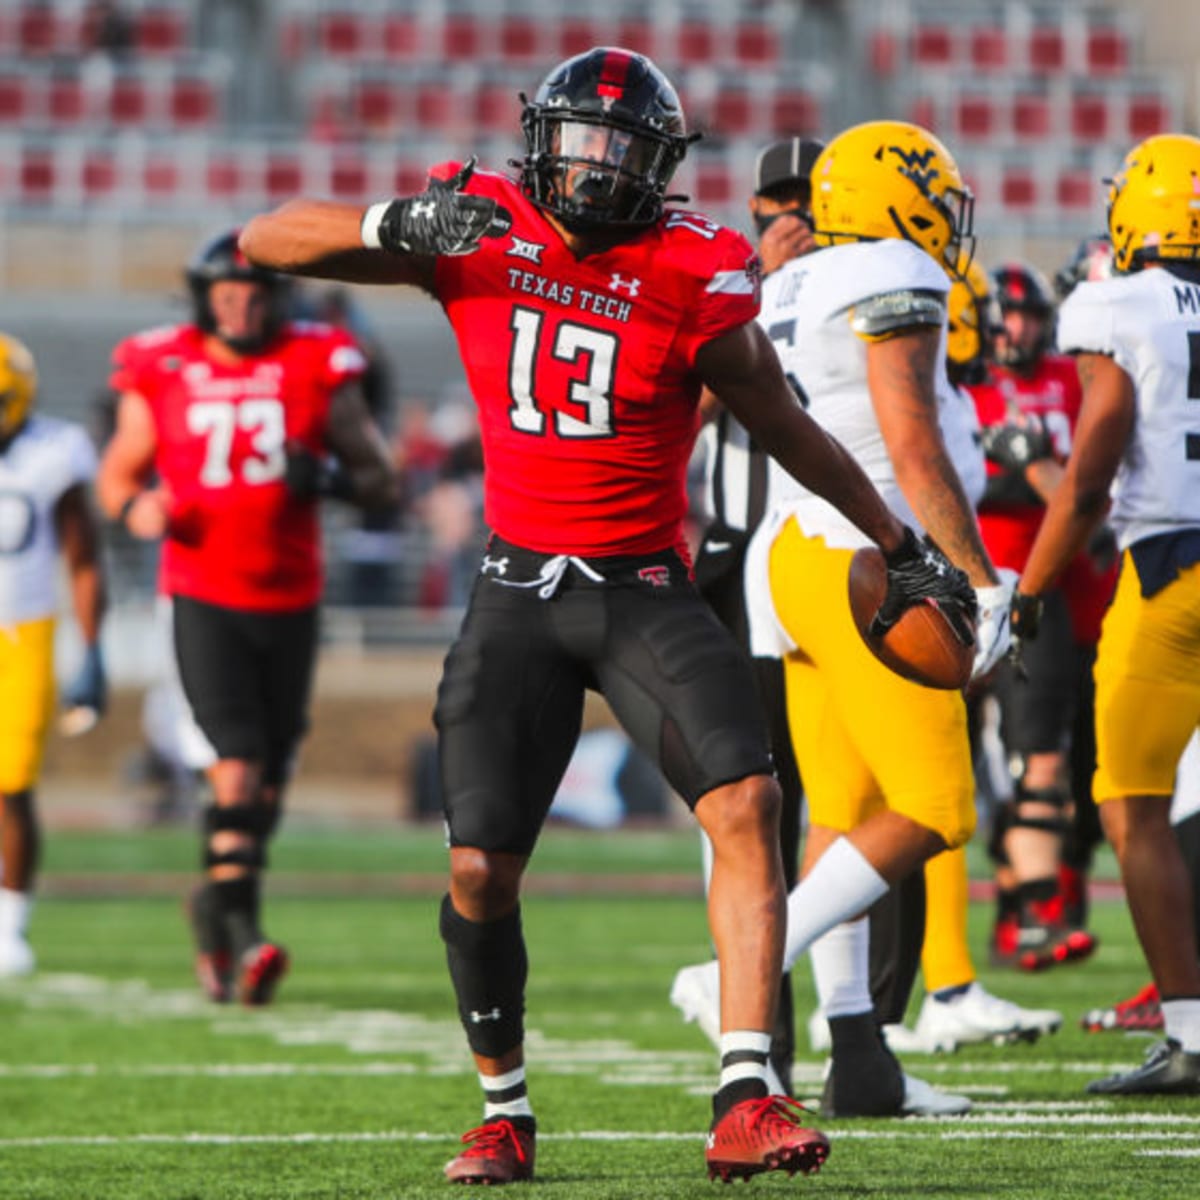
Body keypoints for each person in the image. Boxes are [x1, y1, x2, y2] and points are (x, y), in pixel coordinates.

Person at [238, 48, 975, 1184]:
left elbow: (786, 425)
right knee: (480, 869)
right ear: (543, 140)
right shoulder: (479, 227)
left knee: (749, 798)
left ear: (660, 167)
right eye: (583, 139)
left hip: (640, 589)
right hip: (517, 590)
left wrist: (895, 537)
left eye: (623, 149)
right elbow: (266, 240)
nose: (597, 165)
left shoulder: (692, 270)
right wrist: (403, 221)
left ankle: (746, 1090)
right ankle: (503, 1108)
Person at [733, 119, 1012, 1118]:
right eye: (934, 195)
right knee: (938, 808)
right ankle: (729, 960)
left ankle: (859, 1055)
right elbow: (912, 442)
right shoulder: (892, 266)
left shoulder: (790, 282)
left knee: (841, 814)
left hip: (793, 555)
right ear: (898, 197)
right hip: (872, 561)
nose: (944, 218)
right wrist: (980, 580)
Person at [96, 230, 399, 1008]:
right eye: (228, 293)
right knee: (235, 763)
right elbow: (118, 476)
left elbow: (378, 476)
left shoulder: (315, 360)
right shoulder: (161, 362)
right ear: (203, 297)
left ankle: (212, 913)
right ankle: (248, 939)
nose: (242, 306)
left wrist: (328, 477)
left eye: (257, 293)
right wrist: (141, 508)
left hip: (290, 596)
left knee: (265, 784)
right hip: (201, 591)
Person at [1014, 131, 1200, 1095]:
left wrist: (1031, 594)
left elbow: (1088, 478)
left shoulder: (1113, 302)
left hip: (1171, 576)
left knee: (1132, 804)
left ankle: (1192, 1034)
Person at [670, 135, 824, 1100]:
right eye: (775, 209)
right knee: (748, 807)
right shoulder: (725, 287)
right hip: (737, 569)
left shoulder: (871, 293)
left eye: (808, 206)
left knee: (849, 809)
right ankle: (764, 1047)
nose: (793, 225)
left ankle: (866, 1034)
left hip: (834, 571)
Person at [972, 261, 1115, 973]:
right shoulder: (961, 380)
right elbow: (952, 478)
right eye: (1008, 315)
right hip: (981, 581)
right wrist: (1024, 473)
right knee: (1016, 760)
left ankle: (1037, 906)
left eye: (1029, 315)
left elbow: (1092, 478)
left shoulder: (1070, 375)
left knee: (1067, 763)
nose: (1017, 328)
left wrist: (1037, 470)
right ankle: (1030, 910)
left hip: (1057, 583)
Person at [0, 332, 108, 976]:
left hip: (22, 631)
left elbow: (84, 558)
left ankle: (9, 924)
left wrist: (90, 648)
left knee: (10, 783)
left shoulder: (54, 451)